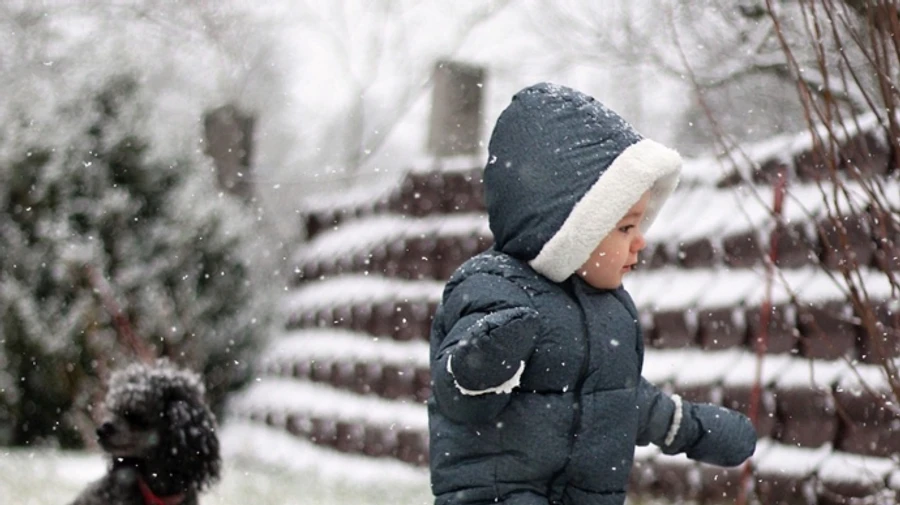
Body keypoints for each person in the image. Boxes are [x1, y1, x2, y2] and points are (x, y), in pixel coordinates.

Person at [428, 83, 757, 505]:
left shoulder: (609, 311)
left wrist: (686, 425)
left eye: (640, 225)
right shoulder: (492, 288)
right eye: (625, 228)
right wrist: (484, 362)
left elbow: (615, 401)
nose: (640, 241)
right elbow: (458, 397)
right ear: (568, 229)